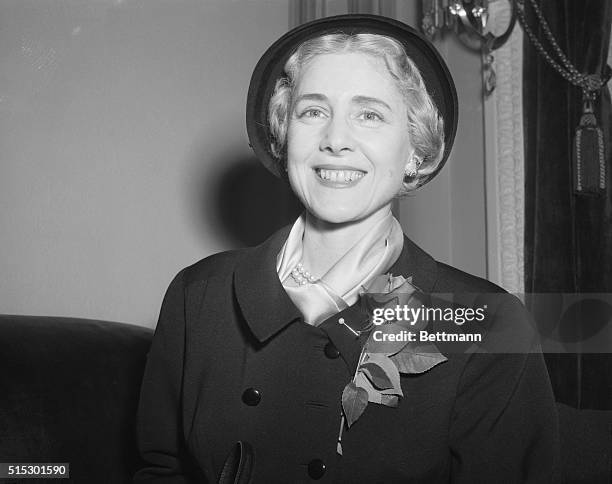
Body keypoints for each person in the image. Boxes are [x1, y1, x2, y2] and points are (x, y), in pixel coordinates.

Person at [134, 14, 559, 483]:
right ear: (284, 133)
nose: (335, 139)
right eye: (312, 111)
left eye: (369, 114)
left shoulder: (486, 323)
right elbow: (161, 469)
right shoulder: (198, 295)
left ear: (415, 150)